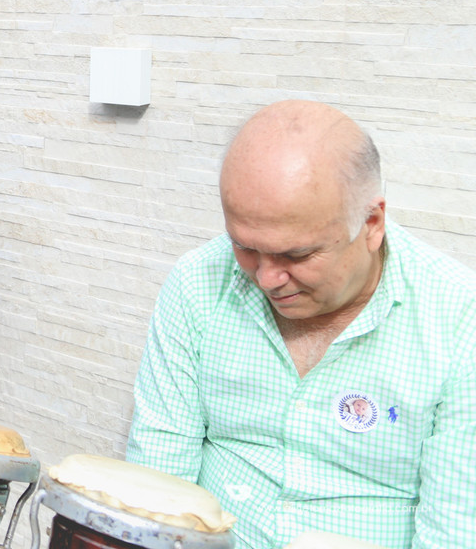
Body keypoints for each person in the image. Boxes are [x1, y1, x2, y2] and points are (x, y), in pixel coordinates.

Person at [126, 100, 476, 549]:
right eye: (245, 246)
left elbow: (456, 530)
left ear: (371, 223)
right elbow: (157, 475)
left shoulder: (459, 319)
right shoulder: (198, 281)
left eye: (296, 255)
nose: (267, 278)